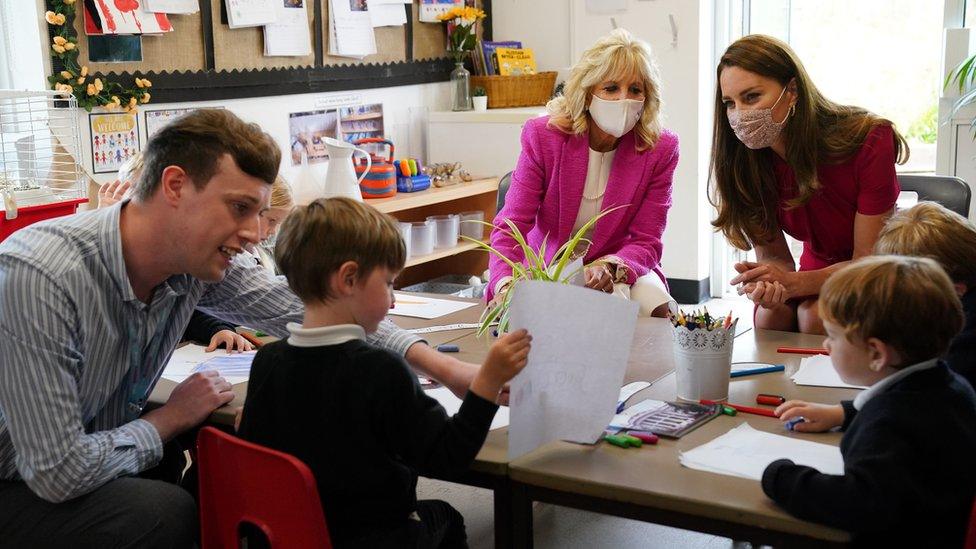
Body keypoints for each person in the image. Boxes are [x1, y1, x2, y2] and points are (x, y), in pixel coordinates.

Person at [0, 109, 482, 548]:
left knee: (203, 482)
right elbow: (56, 472)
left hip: (91, 450)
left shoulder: (192, 260)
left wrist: (438, 364)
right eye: (239, 208)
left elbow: (317, 305)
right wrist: (170, 418)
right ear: (174, 186)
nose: (255, 233)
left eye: (259, 212)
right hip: (18, 479)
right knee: (165, 511)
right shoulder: (41, 277)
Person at [238, 197, 531, 547]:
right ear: (348, 278)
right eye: (389, 283)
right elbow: (448, 458)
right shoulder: (380, 371)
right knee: (446, 517)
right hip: (377, 536)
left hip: (294, 535)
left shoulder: (267, 362)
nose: (393, 301)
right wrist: (486, 383)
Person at [762, 256, 976, 547]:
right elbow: (917, 414)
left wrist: (781, 477)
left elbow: (857, 503)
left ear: (876, 354)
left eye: (834, 337)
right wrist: (843, 414)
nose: (825, 344)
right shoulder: (952, 386)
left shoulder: (889, 424)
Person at [710, 34, 909, 334]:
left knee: (816, 317)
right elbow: (775, 258)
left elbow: (868, 261)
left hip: (875, 272)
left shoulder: (870, 139)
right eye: (730, 103)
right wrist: (769, 283)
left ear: (792, 91)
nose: (739, 114)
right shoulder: (745, 165)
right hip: (816, 269)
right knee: (770, 317)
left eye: (751, 97)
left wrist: (795, 283)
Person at [487, 28, 679, 317]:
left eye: (635, 90)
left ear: (647, 97)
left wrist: (611, 266)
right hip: (550, 267)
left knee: (656, 305)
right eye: (611, 88)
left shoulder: (659, 149)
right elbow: (511, 225)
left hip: (620, 265)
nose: (624, 99)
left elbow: (647, 240)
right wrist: (505, 285)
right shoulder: (544, 137)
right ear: (588, 94)